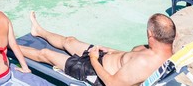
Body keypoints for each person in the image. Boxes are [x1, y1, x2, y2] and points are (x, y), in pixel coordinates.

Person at [19, 12, 175, 86]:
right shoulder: (167, 54)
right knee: (69, 41)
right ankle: (38, 31)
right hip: (103, 56)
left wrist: (93, 59)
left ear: (150, 34)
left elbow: (111, 84)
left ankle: (8, 45)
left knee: (45, 54)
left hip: (91, 71)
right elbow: (127, 57)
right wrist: (108, 50)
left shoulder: (144, 63)